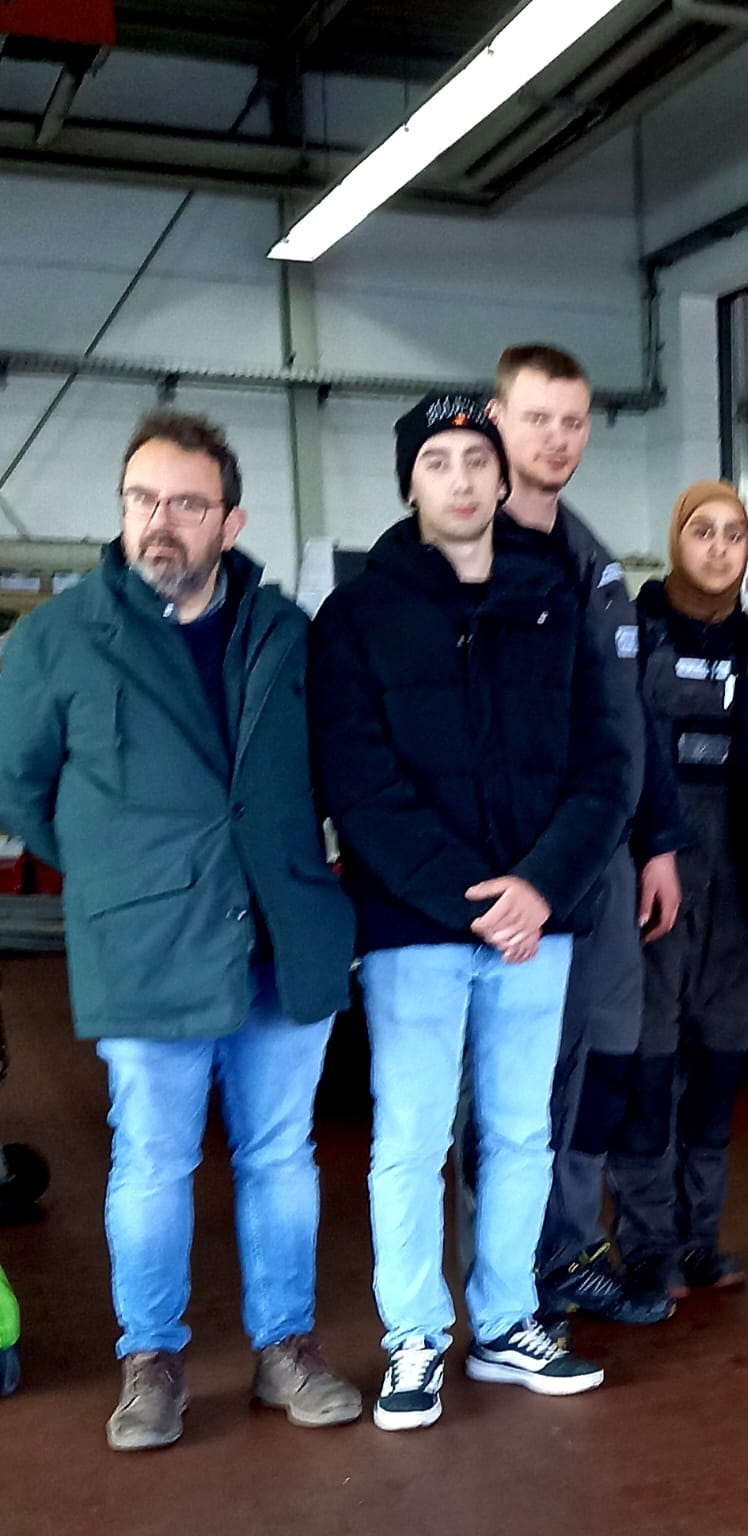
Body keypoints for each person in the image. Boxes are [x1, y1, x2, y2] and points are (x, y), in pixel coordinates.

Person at [0, 410, 360, 1449]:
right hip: (148, 944)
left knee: (280, 1156)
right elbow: (20, 787)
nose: (161, 521)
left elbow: (330, 766)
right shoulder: (60, 639)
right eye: (143, 499)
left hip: (280, 938)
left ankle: (285, 1349)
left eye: (188, 504)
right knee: (152, 1161)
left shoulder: (283, 629)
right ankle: (150, 1361)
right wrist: (121, 866)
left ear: (230, 521)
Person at [310, 392, 632, 1430]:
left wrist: (540, 886)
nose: (460, 479)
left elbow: (606, 763)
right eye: (437, 462)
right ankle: (414, 1336)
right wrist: (471, 898)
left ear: (502, 479)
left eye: (475, 461)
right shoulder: (358, 615)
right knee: (410, 1137)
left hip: (540, 922)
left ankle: (505, 1322)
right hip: (415, 926)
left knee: (521, 1133)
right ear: (409, 482)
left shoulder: (556, 604)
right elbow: (358, 785)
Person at [490, 344, 683, 1329]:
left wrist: (659, 840)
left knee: (605, 1055)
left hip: (605, 857)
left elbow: (630, 717)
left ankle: (569, 1247)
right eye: (537, 418)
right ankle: (508, 1272)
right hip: (518, 863)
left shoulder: (596, 560)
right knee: (515, 1078)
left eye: (572, 422)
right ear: (497, 419)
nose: (557, 438)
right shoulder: (469, 554)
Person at [605, 482, 748, 1298]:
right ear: (676, 539)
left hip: (739, 881)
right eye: (702, 531)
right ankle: (646, 1244)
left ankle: (700, 1237)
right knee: (649, 1063)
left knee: (718, 1064)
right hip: (656, 874)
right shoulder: (636, 629)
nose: (718, 548)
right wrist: (647, 848)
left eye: (734, 534)